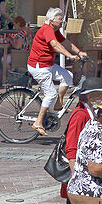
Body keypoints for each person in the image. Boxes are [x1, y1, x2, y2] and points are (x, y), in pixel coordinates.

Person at [28, 7, 89, 137]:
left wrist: (78, 52)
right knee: (51, 93)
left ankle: (58, 104)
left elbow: (66, 42)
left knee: (68, 76)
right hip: (39, 66)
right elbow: (55, 45)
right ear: (51, 20)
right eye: (60, 19)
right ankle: (38, 122)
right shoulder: (47, 29)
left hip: (48, 65)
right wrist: (70, 56)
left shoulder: (55, 30)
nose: (63, 21)